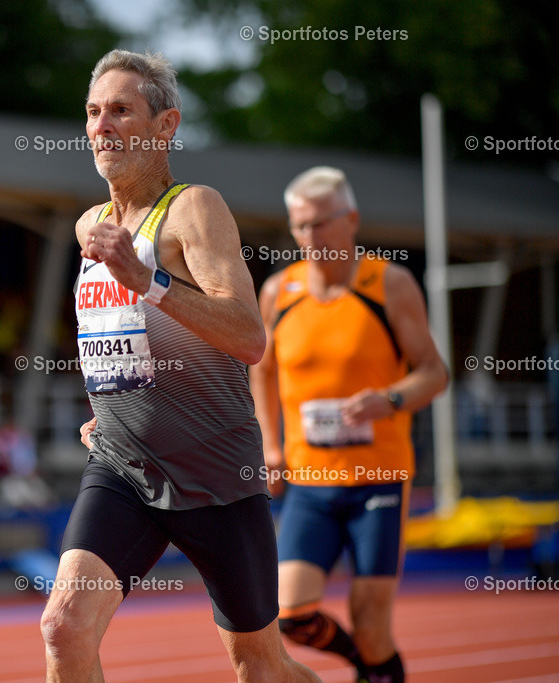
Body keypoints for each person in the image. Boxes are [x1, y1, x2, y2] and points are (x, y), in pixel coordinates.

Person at [39, 49, 320, 682]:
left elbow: (250, 338)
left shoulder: (195, 208)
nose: (102, 126)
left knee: (260, 663)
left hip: (216, 469)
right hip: (124, 464)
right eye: (92, 113)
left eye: (120, 111)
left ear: (166, 127)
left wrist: (150, 278)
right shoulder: (91, 224)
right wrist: (105, 405)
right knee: (63, 627)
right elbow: (111, 332)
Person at [250, 167, 449, 683]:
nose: (309, 237)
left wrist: (391, 398)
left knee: (371, 622)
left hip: (377, 481)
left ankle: (375, 662)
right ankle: (368, 667)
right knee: (289, 614)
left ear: (352, 220)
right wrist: (270, 445)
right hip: (309, 481)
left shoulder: (389, 283)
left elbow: (434, 372)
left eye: (320, 223)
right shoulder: (279, 291)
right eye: (299, 227)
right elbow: (260, 368)